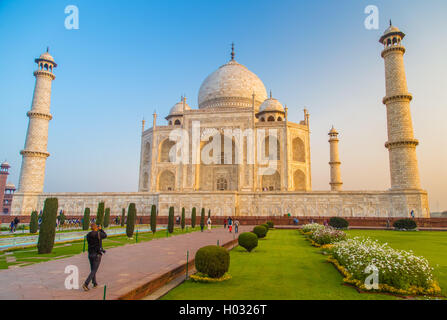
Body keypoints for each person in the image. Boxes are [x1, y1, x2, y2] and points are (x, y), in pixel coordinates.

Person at [82, 223, 107, 291]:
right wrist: (101, 229)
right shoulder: (98, 234)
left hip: (90, 254)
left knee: (93, 269)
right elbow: (105, 235)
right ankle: (86, 284)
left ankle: (94, 283)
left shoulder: (88, 235)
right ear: (96, 228)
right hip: (97, 254)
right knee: (94, 270)